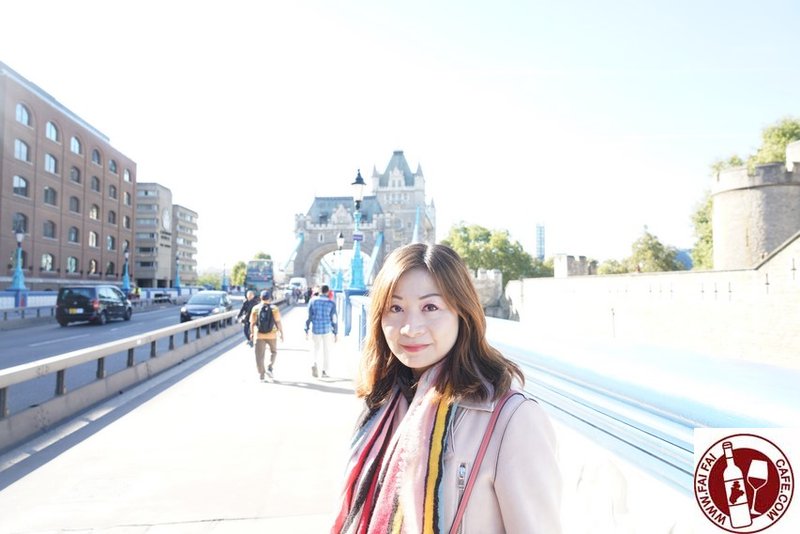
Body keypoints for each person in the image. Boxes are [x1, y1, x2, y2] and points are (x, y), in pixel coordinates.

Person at [331, 243, 561, 533]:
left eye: (430, 307)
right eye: (395, 308)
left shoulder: (514, 419)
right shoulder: (380, 406)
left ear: (462, 313)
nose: (410, 328)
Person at [249, 290, 285, 381]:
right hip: (272, 335)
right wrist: (281, 333)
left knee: (259, 356)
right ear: (270, 298)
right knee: (273, 352)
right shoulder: (274, 308)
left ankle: (262, 375)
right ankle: (270, 367)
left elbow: (252, 323)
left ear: (260, 298)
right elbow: (278, 322)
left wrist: (252, 333)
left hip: (259, 335)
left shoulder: (255, 308)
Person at [305, 284, 338, 378]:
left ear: (319, 291)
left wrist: (306, 329)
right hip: (327, 329)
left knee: (315, 348)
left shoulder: (313, 301)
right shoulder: (331, 303)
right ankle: (324, 371)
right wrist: (335, 332)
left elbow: (309, 317)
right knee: (326, 350)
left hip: (316, 329)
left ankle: (314, 363)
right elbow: (334, 319)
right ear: (328, 292)